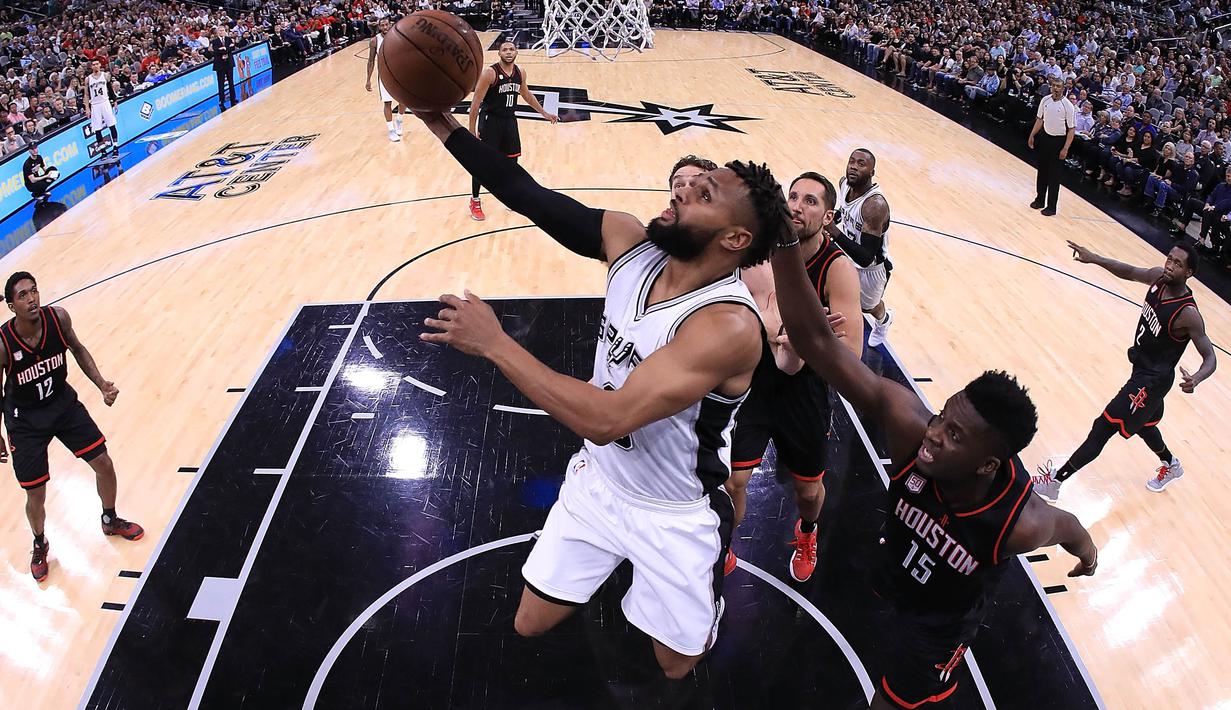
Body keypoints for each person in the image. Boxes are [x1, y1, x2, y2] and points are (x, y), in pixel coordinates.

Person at [413, 108, 782, 678]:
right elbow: (522, 191)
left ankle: (701, 598)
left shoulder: (728, 326)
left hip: (676, 512)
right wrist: (438, 120)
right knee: (527, 623)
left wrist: (494, 343)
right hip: (601, 483)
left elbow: (609, 419)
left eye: (703, 193)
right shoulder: (627, 241)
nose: (681, 192)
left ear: (735, 238)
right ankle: (618, 562)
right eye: (683, 184)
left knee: (676, 666)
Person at [769, 238, 1099, 710]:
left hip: (940, 626)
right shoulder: (910, 427)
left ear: (989, 465)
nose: (935, 434)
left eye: (956, 436)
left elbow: (1067, 526)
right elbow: (818, 343)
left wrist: (1087, 555)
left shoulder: (1017, 522)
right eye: (942, 416)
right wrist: (783, 241)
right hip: (899, 564)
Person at [726, 171, 862, 582]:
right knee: (733, 480)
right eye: (794, 197)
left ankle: (807, 530)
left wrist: (810, 340)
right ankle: (723, 540)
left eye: (811, 201)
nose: (798, 207)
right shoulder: (761, 248)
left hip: (805, 392)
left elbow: (852, 354)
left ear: (829, 216)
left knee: (806, 491)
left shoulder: (837, 267)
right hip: (757, 378)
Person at [1032, 242, 1215, 499]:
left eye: (1178, 264)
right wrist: (1094, 257)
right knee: (1144, 424)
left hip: (1152, 381)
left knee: (1103, 426)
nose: (1169, 266)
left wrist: (1196, 377)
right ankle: (1171, 464)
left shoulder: (1188, 314)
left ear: (1189, 273)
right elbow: (1129, 271)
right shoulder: (1157, 278)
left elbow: (1210, 356)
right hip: (1142, 369)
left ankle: (1055, 483)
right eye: (1169, 259)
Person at [0, 273, 144, 583]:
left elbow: (77, 349)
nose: (32, 298)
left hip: (61, 405)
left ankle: (110, 518)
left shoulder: (58, 318)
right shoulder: (3, 344)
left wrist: (102, 384)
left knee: (104, 463)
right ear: (11, 306)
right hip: (24, 422)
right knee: (35, 494)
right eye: (23, 295)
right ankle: (40, 544)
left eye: (34, 290)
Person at [466, 40, 558, 221]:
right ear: (499, 54)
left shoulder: (520, 73)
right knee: (484, 164)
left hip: (509, 121)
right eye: (504, 50)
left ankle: (510, 197)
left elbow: (527, 95)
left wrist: (545, 113)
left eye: (512, 49)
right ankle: (475, 200)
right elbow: (475, 103)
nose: (508, 52)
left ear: (516, 52)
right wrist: (471, 131)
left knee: (512, 162)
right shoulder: (489, 73)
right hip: (491, 121)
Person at [825, 148, 894, 347]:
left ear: (872, 173)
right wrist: (833, 219)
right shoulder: (844, 184)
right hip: (844, 255)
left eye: (861, 164)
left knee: (868, 307)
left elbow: (866, 257)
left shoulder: (875, 205)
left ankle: (884, 319)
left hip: (870, 269)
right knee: (831, 293)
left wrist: (833, 231)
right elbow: (844, 213)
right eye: (851, 161)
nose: (854, 167)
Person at [1028, 78, 1076, 216]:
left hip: (1059, 141)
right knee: (1042, 170)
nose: (1056, 88)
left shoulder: (1068, 106)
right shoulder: (1045, 100)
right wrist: (1032, 135)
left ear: (1063, 88)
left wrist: (1065, 148)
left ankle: (1051, 206)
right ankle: (1039, 199)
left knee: (1054, 176)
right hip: (1044, 137)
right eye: (1054, 86)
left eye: (1059, 86)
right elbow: (1039, 119)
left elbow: (1071, 129)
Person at [365, 17, 405, 143]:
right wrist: (368, 79)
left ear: (390, 24)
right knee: (387, 103)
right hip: (384, 75)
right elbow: (370, 61)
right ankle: (391, 130)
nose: (385, 27)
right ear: (379, 26)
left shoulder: (397, 36)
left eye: (386, 25)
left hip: (398, 73)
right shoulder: (374, 41)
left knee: (403, 99)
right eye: (382, 25)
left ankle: (399, 119)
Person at [85, 60, 119, 157]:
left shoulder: (105, 75)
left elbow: (110, 89)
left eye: (97, 64)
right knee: (97, 129)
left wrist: (115, 101)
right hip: (95, 105)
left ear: (99, 65)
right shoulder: (88, 79)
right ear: (91, 66)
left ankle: (116, 147)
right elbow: (86, 95)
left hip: (105, 102)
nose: (95, 65)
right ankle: (103, 150)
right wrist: (87, 108)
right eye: (93, 64)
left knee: (111, 125)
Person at [209, 25, 238, 110]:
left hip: (229, 63)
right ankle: (221, 101)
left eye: (223, 30)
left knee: (231, 82)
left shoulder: (229, 39)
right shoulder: (214, 41)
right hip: (220, 65)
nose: (222, 32)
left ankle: (233, 98)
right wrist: (225, 49)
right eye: (220, 30)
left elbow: (232, 48)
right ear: (217, 32)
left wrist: (224, 49)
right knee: (221, 83)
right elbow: (215, 51)